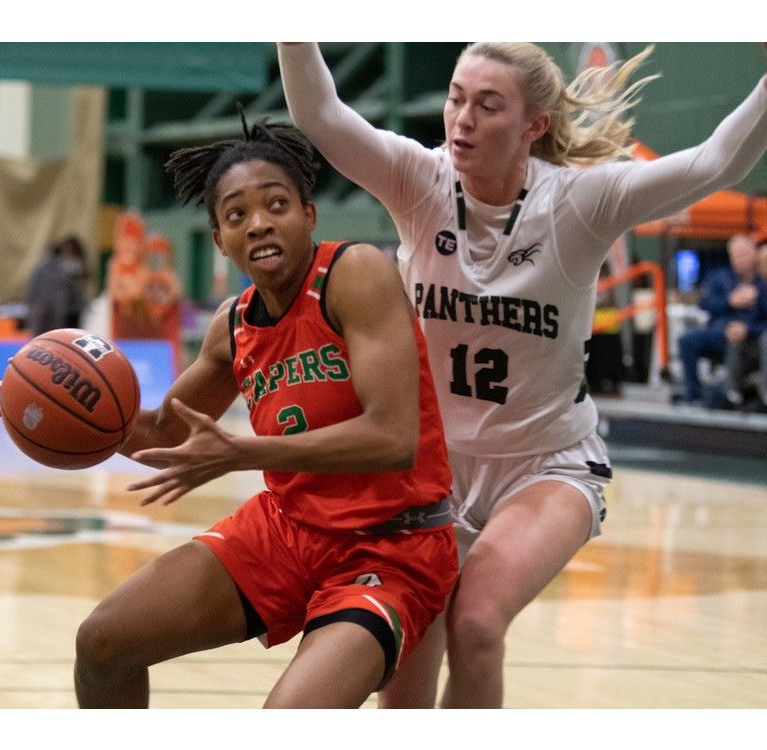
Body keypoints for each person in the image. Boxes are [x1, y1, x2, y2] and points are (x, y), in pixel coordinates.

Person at [277, 41, 767, 708]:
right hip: (429, 467)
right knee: (407, 658)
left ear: (534, 124)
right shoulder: (418, 179)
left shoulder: (582, 201)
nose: (462, 119)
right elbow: (320, 114)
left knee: (476, 622)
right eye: (455, 98)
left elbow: (718, 159)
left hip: (545, 463)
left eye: (487, 105)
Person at [72, 116, 458, 708]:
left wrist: (243, 453)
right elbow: (155, 432)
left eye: (276, 204)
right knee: (103, 642)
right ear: (220, 240)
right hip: (288, 529)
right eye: (235, 215)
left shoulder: (355, 275)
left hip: (392, 548)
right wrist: (61, 413)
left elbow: (393, 437)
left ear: (308, 214)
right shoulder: (234, 323)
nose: (258, 223)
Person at [677, 233, 760, 406]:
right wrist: (730, 301)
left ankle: (732, 395)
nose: (740, 260)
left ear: (754, 254)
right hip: (720, 331)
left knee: (738, 342)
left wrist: (747, 329)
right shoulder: (720, 277)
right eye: (736, 256)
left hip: (752, 336)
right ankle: (694, 396)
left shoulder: (762, 281)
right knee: (687, 341)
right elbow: (705, 303)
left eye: (744, 254)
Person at [723, 239, 767, 410]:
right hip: (756, 340)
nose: (764, 268)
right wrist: (742, 329)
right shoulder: (760, 288)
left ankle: (765, 393)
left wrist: (748, 329)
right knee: (735, 336)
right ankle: (732, 393)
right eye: (762, 264)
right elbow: (755, 318)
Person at [25, 235, 87, 336]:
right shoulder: (44, 266)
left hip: (60, 306)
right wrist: (31, 302)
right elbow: (34, 285)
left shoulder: (67, 266)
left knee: (56, 330)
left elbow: (72, 286)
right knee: (41, 329)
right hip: (45, 304)